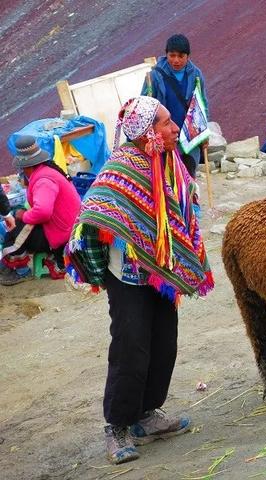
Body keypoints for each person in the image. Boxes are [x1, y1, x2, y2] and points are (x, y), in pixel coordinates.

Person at [65, 96, 215, 464]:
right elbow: (96, 211)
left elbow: (180, 210)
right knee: (131, 348)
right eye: (166, 123)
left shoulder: (169, 163)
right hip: (127, 276)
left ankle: (147, 415)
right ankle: (117, 426)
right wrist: (128, 231)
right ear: (148, 130)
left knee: (164, 343)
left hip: (160, 275)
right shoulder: (122, 168)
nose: (174, 128)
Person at [0, 136, 81, 286]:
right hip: (65, 224)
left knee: (15, 232)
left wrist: (24, 215)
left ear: (27, 166)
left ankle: (20, 272)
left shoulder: (43, 180)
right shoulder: (46, 170)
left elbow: (43, 211)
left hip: (63, 231)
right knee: (19, 221)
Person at [143, 34, 209, 178]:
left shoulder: (196, 75)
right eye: (172, 55)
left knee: (188, 177)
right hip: (164, 138)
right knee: (168, 178)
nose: (176, 60)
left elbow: (202, 104)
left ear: (188, 56)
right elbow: (145, 107)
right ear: (166, 54)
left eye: (181, 56)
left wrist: (204, 134)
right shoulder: (154, 76)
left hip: (189, 137)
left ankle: (190, 201)